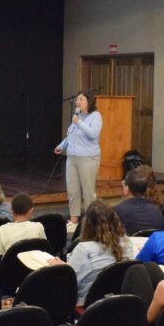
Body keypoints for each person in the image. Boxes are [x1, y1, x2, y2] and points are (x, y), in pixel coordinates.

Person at [48, 200, 134, 306]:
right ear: (115, 220)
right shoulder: (126, 242)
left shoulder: (84, 250)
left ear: (87, 223)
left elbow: (69, 283)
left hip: (87, 304)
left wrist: (63, 268)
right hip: (120, 299)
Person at [54, 90, 103, 227]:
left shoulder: (95, 116)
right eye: (77, 100)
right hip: (72, 157)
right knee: (73, 190)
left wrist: (79, 122)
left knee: (88, 191)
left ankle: (91, 221)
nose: (78, 102)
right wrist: (61, 146)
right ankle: (74, 219)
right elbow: (72, 135)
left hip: (88, 158)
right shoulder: (77, 116)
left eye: (81, 99)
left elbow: (93, 134)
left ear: (89, 101)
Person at [0, 193, 47, 267]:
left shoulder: (2, 230)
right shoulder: (38, 227)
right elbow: (45, 252)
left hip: (11, 275)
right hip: (35, 273)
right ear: (31, 211)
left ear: (11, 211)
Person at [114, 167, 164, 235]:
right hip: (152, 244)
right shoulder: (156, 210)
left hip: (131, 245)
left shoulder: (118, 210)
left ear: (127, 189)